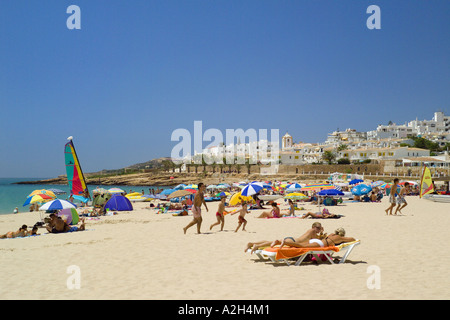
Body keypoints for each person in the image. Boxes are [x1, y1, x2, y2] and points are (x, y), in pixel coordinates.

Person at [244, 222, 323, 253]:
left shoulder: (311, 231)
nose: (319, 229)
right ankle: (257, 246)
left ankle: (252, 243)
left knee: (272, 242)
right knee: (275, 242)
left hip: (292, 239)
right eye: (318, 228)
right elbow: (317, 240)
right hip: (293, 241)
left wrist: (320, 233)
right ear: (313, 227)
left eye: (320, 228)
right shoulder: (312, 231)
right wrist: (322, 233)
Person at [277, 227, 356, 249]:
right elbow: (352, 239)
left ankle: (280, 242)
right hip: (320, 244)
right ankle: (284, 242)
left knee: (299, 244)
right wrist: (343, 239)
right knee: (302, 246)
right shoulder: (339, 238)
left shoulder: (331, 234)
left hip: (316, 241)